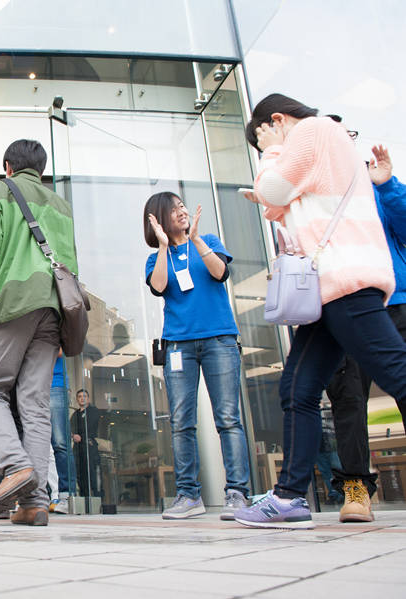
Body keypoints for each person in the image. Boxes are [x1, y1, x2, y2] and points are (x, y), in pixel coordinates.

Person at [233, 94, 406, 529]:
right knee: (298, 388)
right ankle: (289, 497)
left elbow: (273, 189)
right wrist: (271, 184)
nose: (267, 149)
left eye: (262, 137)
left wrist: (271, 149)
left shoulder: (314, 130)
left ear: (275, 120)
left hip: (345, 281)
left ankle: (290, 496)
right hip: (325, 291)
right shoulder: (324, 142)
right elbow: (278, 204)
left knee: (396, 373)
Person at [0, 139, 78, 526]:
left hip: (12, 298)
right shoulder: (60, 204)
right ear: (41, 170)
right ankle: (34, 502)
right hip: (53, 306)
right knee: (35, 404)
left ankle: (15, 466)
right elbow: (70, 262)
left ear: (7, 166)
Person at [144, 191, 251, 520]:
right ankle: (189, 495)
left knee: (228, 418)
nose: (181, 211)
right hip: (178, 345)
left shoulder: (208, 241)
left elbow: (220, 273)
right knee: (181, 423)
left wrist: (196, 241)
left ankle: (237, 493)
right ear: (160, 218)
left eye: (182, 206)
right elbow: (159, 286)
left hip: (219, 338)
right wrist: (164, 246)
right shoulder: (154, 258)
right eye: (173, 208)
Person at [322, 144, 406, 523]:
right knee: (348, 397)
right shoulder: (316, 194)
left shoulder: (374, 185)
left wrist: (387, 185)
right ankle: (356, 487)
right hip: (348, 305)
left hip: (396, 299)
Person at [49, 351, 71, 513]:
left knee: (60, 442)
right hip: (33, 385)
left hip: (55, 384)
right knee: (40, 446)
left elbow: (61, 350)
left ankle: (66, 494)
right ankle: (48, 494)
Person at [70, 390, 101, 498]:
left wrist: (81, 436)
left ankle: (96, 500)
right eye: (79, 396)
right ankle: (84, 499)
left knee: (91, 474)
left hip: (89, 445)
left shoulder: (93, 411)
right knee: (79, 473)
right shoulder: (75, 414)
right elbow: (71, 429)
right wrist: (73, 435)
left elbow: (90, 427)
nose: (82, 398)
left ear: (88, 398)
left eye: (84, 396)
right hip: (77, 447)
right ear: (77, 399)